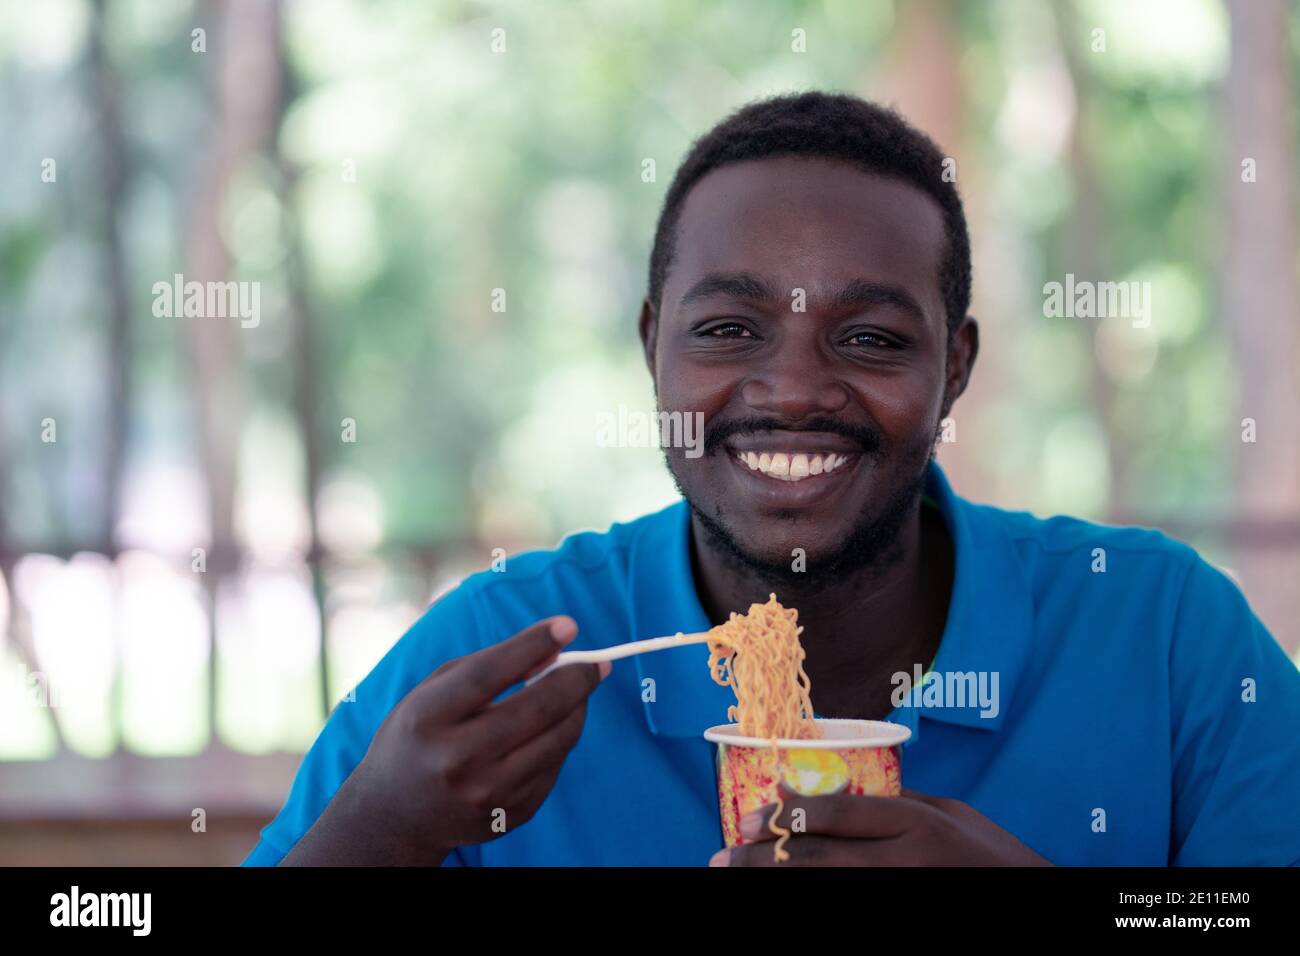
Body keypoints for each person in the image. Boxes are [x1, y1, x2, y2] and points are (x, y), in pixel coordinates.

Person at [243, 91, 1300, 867]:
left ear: (955, 369)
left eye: (872, 337)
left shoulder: (1158, 631)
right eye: (727, 328)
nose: (792, 388)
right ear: (653, 346)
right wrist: (373, 831)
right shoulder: (510, 651)